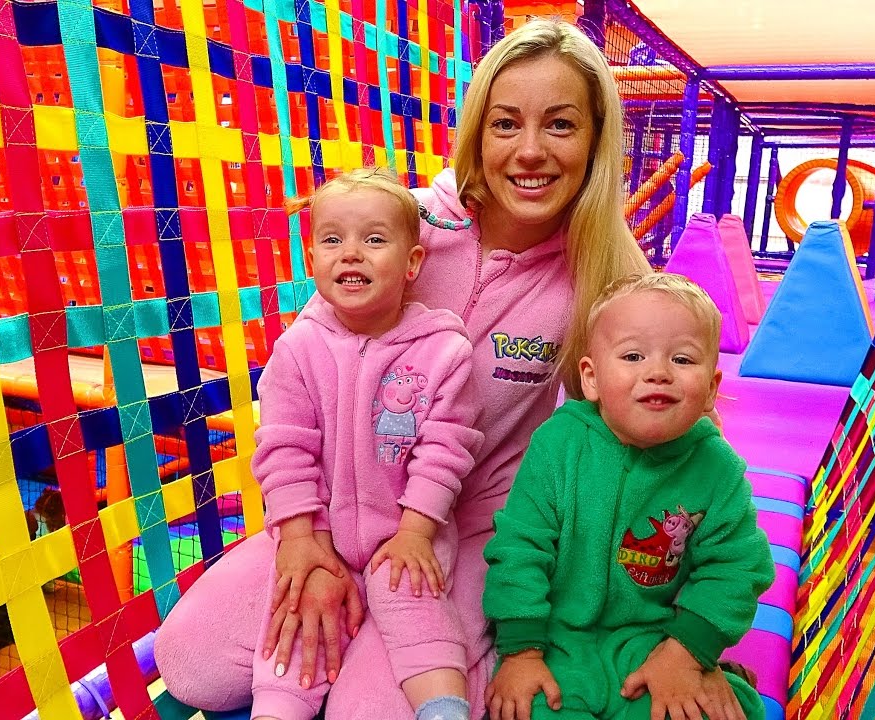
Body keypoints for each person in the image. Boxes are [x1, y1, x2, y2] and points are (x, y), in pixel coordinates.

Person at [154, 19, 745, 718]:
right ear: (478, 132)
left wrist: (687, 639)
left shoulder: (604, 274)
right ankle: (376, 623)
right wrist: (304, 543)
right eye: (505, 124)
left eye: (560, 125)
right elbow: (302, 392)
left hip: (468, 538)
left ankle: (463, 636)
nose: (530, 151)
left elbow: (673, 454)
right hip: (348, 514)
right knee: (191, 664)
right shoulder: (405, 230)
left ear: (594, 140)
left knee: (365, 712)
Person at [483, 273, 774, 720]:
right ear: (592, 378)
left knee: (719, 710)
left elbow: (737, 568)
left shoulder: (717, 466)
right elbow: (521, 547)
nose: (657, 372)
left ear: (712, 388)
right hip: (555, 641)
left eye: (682, 359)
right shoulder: (558, 444)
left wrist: (686, 652)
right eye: (633, 356)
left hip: (655, 640)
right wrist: (521, 650)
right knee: (529, 707)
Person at [248, 167, 482, 720]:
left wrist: (415, 531)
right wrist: (300, 536)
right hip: (321, 530)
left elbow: (445, 451)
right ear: (310, 261)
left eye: (374, 239)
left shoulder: (444, 350)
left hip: (400, 534)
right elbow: (283, 447)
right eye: (332, 240)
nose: (350, 254)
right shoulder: (299, 347)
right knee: (291, 611)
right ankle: (278, 707)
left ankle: (443, 708)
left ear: (413, 264)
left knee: (417, 603)